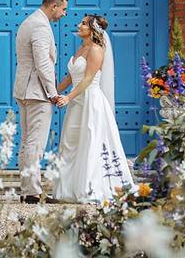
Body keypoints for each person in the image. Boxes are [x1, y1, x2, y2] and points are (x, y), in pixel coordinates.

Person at [52, 14, 133, 202]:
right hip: (76, 101)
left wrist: (67, 97)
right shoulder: (81, 48)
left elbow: (88, 79)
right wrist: (53, 91)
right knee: (69, 143)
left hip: (91, 100)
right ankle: (67, 189)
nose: (78, 25)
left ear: (93, 29)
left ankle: (89, 188)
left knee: (91, 142)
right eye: (80, 22)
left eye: (83, 23)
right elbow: (72, 77)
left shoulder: (96, 50)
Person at [12, 0, 68, 204]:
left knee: (27, 142)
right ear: (53, 6)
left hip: (24, 89)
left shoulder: (29, 21)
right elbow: (42, 62)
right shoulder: (41, 26)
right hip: (37, 92)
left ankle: (27, 190)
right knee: (35, 144)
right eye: (63, 9)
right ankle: (33, 192)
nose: (64, 14)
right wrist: (53, 92)